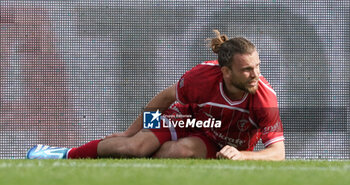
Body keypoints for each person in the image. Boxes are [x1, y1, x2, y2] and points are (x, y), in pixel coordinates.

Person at [27, 30, 285, 161]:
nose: (256, 75)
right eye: (247, 69)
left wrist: (242, 155)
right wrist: (131, 133)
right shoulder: (202, 78)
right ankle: (63, 154)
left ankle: (129, 157)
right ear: (226, 72)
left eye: (257, 66)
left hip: (214, 142)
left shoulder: (264, 97)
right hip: (188, 121)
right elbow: (165, 99)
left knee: (183, 150)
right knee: (135, 147)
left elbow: (277, 153)